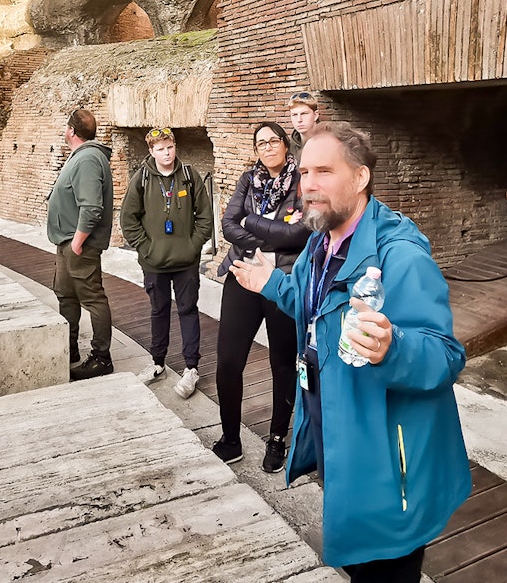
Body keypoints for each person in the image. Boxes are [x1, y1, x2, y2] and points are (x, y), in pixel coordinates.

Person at [229, 122, 471, 581]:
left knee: (384, 569)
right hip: (340, 441)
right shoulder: (322, 242)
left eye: (324, 171)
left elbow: (444, 355)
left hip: (389, 463)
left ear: (360, 178)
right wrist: (271, 283)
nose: (309, 186)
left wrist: (392, 347)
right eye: (303, 173)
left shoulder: (400, 255)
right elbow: (314, 303)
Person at [212, 121, 308, 471]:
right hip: (242, 274)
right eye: (260, 143)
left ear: (285, 144)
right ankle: (230, 438)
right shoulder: (247, 180)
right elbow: (228, 224)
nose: (267, 147)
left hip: (281, 280)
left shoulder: (302, 181)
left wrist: (252, 223)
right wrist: (269, 237)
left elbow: (299, 233)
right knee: (228, 360)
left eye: (273, 141)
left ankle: (278, 439)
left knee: (282, 363)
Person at [119, 128, 213, 398]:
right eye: (160, 149)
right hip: (154, 262)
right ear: (151, 152)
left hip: (186, 262)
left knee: (188, 311)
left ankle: (191, 367)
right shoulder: (142, 179)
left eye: (170, 147)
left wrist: (193, 246)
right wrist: (146, 248)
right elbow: (129, 219)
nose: (167, 153)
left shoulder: (189, 176)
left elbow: (205, 216)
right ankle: (157, 362)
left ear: (175, 146)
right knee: (158, 311)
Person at [47, 108, 114, 381]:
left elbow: (92, 207)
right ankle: (70, 350)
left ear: (72, 131)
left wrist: (77, 242)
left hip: (79, 246)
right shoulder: (81, 157)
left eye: (66, 127)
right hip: (66, 243)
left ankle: (101, 358)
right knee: (66, 295)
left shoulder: (88, 159)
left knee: (93, 298)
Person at [287, 91, 320, 156]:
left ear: (316, 115)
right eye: (294, 115)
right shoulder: (288, 148)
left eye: (304, 114)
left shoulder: (331, 142)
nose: (299, 120)